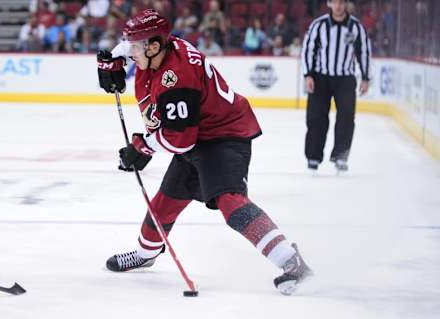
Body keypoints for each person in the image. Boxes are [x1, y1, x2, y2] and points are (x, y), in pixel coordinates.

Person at [96, 9, 312, 293]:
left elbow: (181, 140)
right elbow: (128, 48)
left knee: (230, 203)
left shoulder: (176, 79)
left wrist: (144, 147)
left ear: (155, 46)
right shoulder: (161, 47)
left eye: (135, 46)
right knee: (164, 201)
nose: (130, 50)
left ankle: (291, 260)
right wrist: (113, 59)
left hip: (223, 135)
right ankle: (146, 255)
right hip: (199, 132)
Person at [302, 0, 371, 171]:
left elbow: (364, 51)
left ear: (346, 4)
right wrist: (308, 75)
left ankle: (341, 155)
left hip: (345, 78)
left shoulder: (356, 27)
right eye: (335, 2)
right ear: (329, 4)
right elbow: (308, 49)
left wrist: (366, 77)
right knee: (316, 118)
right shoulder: (319, 25)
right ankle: (313, 157)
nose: (339, 6)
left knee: (346, 117)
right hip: (320, 77)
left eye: (342, 2)